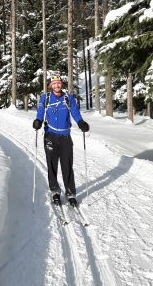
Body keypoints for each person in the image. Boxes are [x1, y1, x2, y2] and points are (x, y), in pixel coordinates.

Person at [32, 76, 89, 207]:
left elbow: (75, 112)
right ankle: (55, 191)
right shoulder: (45, 98)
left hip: (65, 136)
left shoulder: (68, 98)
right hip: (50, 135)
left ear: (61, 84)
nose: (56, 86)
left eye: (58, 83)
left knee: (67, 165)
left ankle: (70, 193)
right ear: (51, 86)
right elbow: (40, 112)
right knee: (52, 165)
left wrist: (81, 122)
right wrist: (38, 121)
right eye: (54, 84)